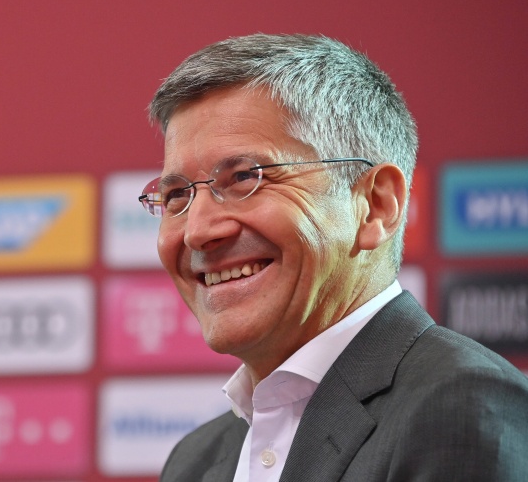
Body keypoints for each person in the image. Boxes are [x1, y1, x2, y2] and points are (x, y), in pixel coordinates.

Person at [137, 34, 528, 482]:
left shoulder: (462, 406)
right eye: (177, 195)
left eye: (245, 177)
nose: (197, 231)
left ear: (376, 205)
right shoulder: (194, 461)